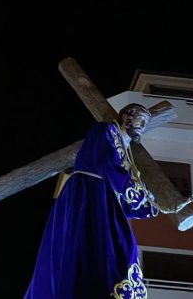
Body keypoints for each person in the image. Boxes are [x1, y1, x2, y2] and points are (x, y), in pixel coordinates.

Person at [24, 103, 158, 299]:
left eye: (145, 123)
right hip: (88, 193)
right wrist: (137, 192)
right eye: (140, 119)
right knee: (91, 244)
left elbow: (124, 195)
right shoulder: (106, 130)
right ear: (125, 117)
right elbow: (106, 163)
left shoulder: (126, 150)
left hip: (105, 199)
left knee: (120, 247)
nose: (142, 126)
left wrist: (149, 204)